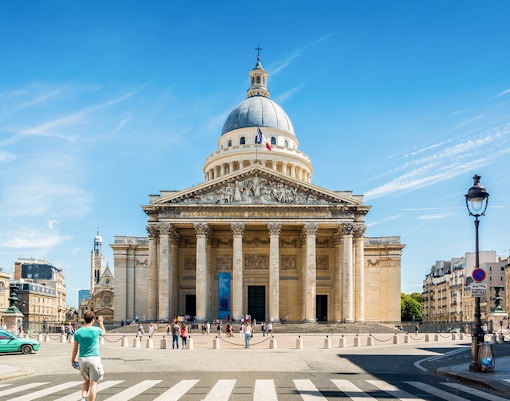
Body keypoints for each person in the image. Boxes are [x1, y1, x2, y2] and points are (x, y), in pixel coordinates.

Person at [71, 312, 106, 401]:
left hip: (82, 359)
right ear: (93, 320)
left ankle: (83, 398)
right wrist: (101, 323)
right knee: (93, 383)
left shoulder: (78, 332)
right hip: (94, 359)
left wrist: (72, 360)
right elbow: (104, 333)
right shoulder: (96, 330)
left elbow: (75, 348)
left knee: (86, 381)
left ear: (84, 319)